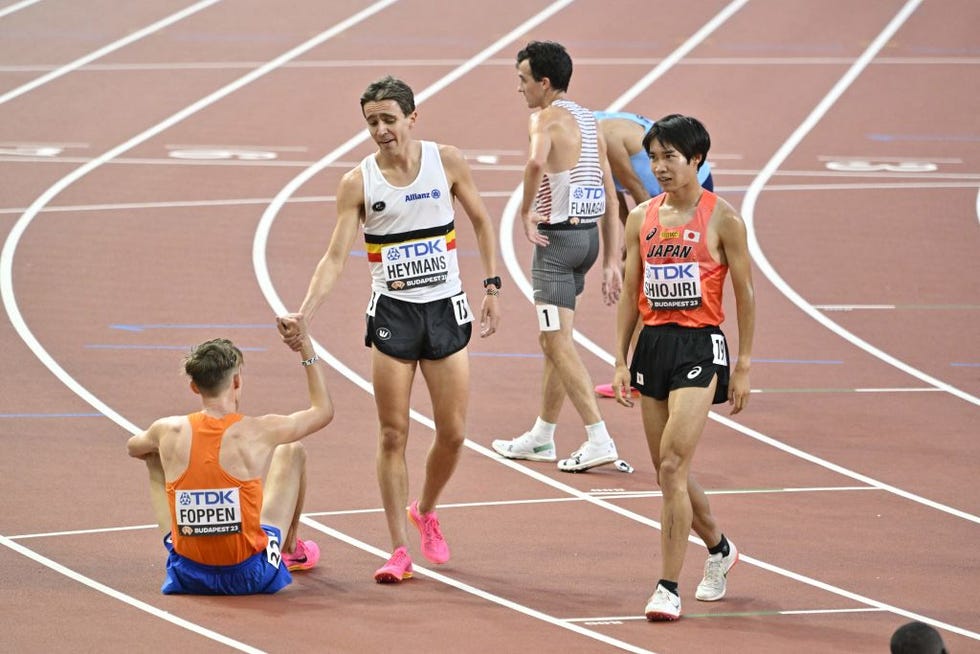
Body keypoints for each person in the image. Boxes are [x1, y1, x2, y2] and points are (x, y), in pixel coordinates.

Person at [277, 76, 501, 583]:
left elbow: (484, 223)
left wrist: (491, 287)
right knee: (393, 433)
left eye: (389, 120)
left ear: (412, 118)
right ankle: (398, 550)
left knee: (454, 433)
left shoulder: (446, 162)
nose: (380, 131)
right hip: (393, 316)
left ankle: (426, 509)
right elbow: (335, 256)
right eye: (371, 123)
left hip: (444, 309)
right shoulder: (358, 182)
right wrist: (304, 313)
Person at [611, 114, 755, 621]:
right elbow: (631, 290)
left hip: (700, 347)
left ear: (696, 159)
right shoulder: (641, 218)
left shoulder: (723, 219)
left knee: (673, 464)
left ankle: (667, 586)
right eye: (653, 158)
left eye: (670, 157)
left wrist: (744, 365)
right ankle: (719, 548)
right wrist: (620, 358)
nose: (660, 167)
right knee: (667, 473)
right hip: (653, 346)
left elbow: (745, 292)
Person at [491, 40, 623, 473]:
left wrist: (527, 212)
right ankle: (542, 436)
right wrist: (610, 259)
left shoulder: (542, 120)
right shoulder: (592, 120)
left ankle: (598, 436)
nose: (519, 89)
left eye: (522, 80)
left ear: (544, 83)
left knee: (554, 340)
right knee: (555, 342)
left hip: (556, 247)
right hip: (587, 242)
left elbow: (534, 165)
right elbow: (608, 187)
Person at [126, 330, 333, 595]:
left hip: (188, 573)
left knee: (153, 455)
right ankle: (290, 547)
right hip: (250, 574)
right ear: (236, 381)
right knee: (291, 449)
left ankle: (184, 541)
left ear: (194, 386)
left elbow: (133, 447)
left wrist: (164, 450)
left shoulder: (167, 429)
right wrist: (305, 348)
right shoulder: (258, 430)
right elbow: (323, 411)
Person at [594, 110, 714, 227]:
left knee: (691, 240)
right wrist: (630, 232)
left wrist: (646, 235)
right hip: (665, 188)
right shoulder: (593, 127)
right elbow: (611, 192)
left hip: (690, 181)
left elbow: (637, 189)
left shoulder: (607, 135)